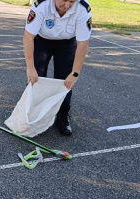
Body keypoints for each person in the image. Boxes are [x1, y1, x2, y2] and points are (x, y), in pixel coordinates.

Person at [23, 0, 92, 136]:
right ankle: (32, 113)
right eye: (64, 0)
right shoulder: (41, 5)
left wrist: (75, 73)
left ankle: (62, 115)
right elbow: (28, 37)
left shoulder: (83, 9)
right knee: (36, 79)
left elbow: (82, 44)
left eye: (71, 1)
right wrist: (30, 67)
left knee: (65, 81)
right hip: (42, 40)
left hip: (67, 43)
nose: (67, 5)